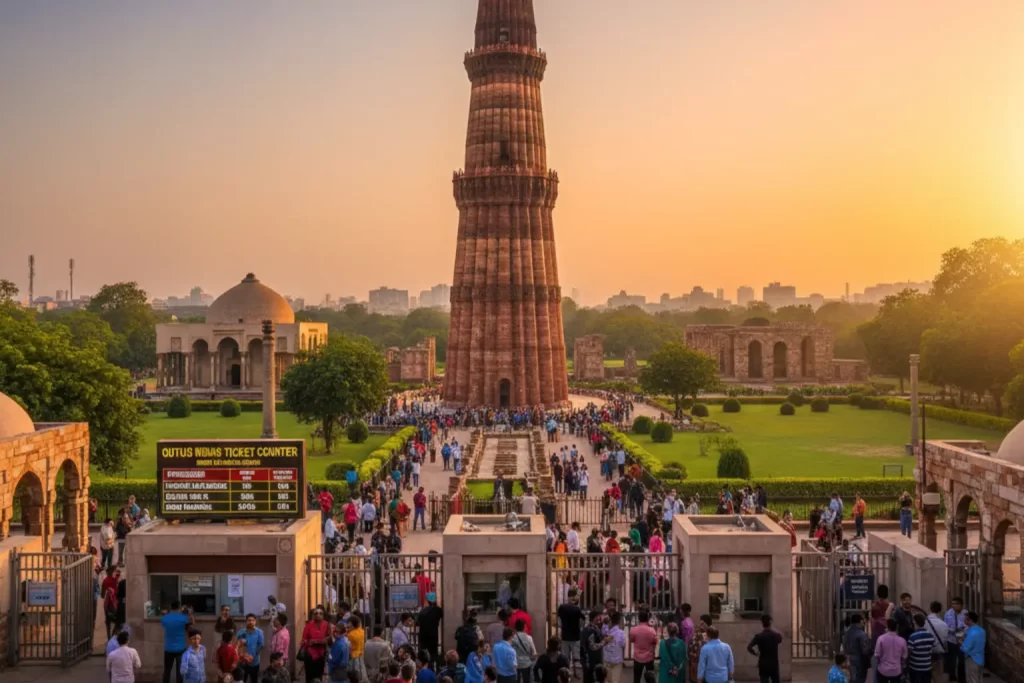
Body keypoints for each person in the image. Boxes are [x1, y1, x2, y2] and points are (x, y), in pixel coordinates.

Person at [161, 601, 192, 683]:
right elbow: (188, 628)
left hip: (168, 648)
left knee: (167, 670)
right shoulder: (184, 618)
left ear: (171, 608)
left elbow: (163, 624)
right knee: (180, 671)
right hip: (180, 648)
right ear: (179, 608)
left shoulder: (165, 618)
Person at [746, 614, 782, 683]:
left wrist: (756, 654)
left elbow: (749, 647)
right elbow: (780, 639)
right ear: (770, 623)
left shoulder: (758, 636)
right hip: (773, 664)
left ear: (762, 623)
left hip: (763, 664)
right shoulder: (776, 636)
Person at [557, 589, 584, 676]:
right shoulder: (578, 610)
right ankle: (577, 674)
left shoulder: (562, 607)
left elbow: (559, 622)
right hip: (576, 637)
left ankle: (566, 674)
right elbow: (581, 623)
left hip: (565, 636)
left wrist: (561, 629)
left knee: (566, 657)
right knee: (576, 658)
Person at [301, 608, 332, 683]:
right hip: (310, 655)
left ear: (323, 615)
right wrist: (310, 642)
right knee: (310, 676)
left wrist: (325, 640)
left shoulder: (327, 625)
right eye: (316, 613)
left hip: (321, 654)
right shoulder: (308, 625)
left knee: (319, 676)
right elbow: (303, 640)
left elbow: (330, 638)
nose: (318, 615)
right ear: (313, 615)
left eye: (320, 613)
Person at [874, 619, 908, 683]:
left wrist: (880, 662)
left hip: (883, 670)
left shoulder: (881, 638)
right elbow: (904, 657)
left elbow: (877, 655)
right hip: (896, 671)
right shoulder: (902, 640)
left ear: (887, 627)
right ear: (896, 627)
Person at [629, 610, 659, 683]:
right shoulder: (652, 631)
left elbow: (631, 640)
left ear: (639, 618)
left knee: (637, 678)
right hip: (649, 657)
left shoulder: (633, 630)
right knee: (650, 679)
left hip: (637, 657)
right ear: (648, 618)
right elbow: (655, 642)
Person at [907, 613, 937, 683]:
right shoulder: (930, 635)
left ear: (915, 622)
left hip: (915, 668)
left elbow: (909, 652)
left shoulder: (913, 637)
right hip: (927, 667)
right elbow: (933, 647)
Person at [944, 598, 967, 683]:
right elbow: (945, 626)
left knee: (962, 661)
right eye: (953, 604)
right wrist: (952, 630)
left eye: (957, 604)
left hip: (962, 640)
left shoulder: (965, 613)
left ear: (961, 605)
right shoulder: (948, 614)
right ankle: (952, 677)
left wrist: (962, 631)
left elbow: (968, 626)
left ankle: (962, 679)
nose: (954, 606)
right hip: (951, 639)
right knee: (951, 660)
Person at [237, 613, 265, 683]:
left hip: (255, 661)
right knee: (242, 680)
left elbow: (261, 645)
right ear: (246, 621)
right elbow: (236, 645)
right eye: (249, 620)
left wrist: (253, 656)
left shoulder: (259, 632)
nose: (251, 622)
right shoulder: (241, 632)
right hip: (243, 662)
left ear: (255, 622)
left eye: (253, 620)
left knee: (254, 680)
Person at [841, 614, 870, 683]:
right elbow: (865, 650)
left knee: (851, 679)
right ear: (860, 622)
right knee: (859, 679)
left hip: (848, 659)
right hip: (859, 662)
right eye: (863, 621)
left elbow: (844, 645)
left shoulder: (846, 633)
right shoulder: (862, 634)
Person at [419, 593, 445, 670]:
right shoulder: (438, 610)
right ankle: (436, 668)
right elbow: (441, 614)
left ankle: (427, 667)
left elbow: (418, 621)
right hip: (434, 636)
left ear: (427, 600)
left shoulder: (423, 611)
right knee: (434, 653)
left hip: (423, 637)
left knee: (425, 654)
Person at [580, 610, 607, 683]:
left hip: (588, 659)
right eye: (599, 616)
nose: (600, 618)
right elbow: (592, 646)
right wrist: (604, 642)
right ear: (594, 618)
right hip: (591, 659)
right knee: (592, 678)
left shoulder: (592, 627)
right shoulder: (590, 630)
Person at [959, 612, 985, 683]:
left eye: (965, 619)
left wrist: (960, 642)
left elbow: (965, 648)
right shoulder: (982, 630)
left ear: (969, 620)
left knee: (972, 679)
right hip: (981, 659)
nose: (964, 620)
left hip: (972, 659)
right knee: (979, 679)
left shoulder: (971, 632)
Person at [603, 612, 626, 683]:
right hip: (617, 660)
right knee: (615, 680)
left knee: (607, 679)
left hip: (606, 659)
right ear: (619, 621)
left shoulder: (604, 631)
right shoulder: (621, 633)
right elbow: (623, 645)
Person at [688, 615, 712, 683]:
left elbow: (690, 649)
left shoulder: (697, 635)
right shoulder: (711, 635)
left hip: (697, 667)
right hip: (704, 668)